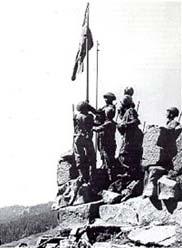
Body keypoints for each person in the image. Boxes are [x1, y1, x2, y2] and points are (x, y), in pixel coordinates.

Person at [143, 107, 181, 198]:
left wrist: (164, 129)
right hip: (164, 147)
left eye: (167, 112)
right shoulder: (168, 123)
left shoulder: (174, 123)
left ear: (171, 114)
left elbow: (174, 130)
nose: (166, 114)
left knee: (162, 165)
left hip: (170, 147)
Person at [117, 97, 143, 180]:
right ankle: (130, 173)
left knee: (125, 153)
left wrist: (125, 124)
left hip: (132, 136)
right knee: (126, 154)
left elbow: (136, 121)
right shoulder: (126, 112)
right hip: (129, 136)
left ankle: (129, 173)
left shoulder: (130, 110)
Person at [73, 101, 96, 182]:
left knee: (80, 157)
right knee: (92, 157)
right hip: (86, 138)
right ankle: (91, 176)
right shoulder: (88, 117)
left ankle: (82, 176)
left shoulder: (76, 116)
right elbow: (93, 125)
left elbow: (75, 126)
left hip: (78, 138)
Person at [93, 107, 116, 181]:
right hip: (109, 144)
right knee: (107, 160)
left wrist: (90, 126)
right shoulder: (112, 122)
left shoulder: (108, 123)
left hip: (107, 145)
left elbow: (98, 129)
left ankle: (110, 178)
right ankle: (109, 176)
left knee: (108, 160)